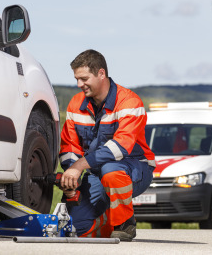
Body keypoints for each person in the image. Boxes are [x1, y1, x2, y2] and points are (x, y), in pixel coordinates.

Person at [59, 49, 155, 241]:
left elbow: (120, 147)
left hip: (134, 168)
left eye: (84, 78)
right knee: (74, 228)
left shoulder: (129, 102)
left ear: (101, 73)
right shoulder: (75, 104)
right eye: (77, 79)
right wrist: (71, 176)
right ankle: (109, 221)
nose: (79, 84)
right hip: (96, 172)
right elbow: (69, 146)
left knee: (111, 170)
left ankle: (125, 223)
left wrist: (79, 166)